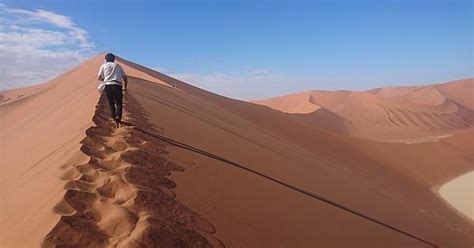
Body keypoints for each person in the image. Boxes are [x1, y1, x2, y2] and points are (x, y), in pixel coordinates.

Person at [98, 53, 128, 128]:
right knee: (118, 103)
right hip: (118, 86)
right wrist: (125, 87)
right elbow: (125, 77)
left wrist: (105, 79)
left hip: (108, 86)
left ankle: (114, 117)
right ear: (114, 59)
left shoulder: (103, 66)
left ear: (106, 59)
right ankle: (118, 117)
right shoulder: (118, 66)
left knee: (111, 102)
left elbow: (99, 77)